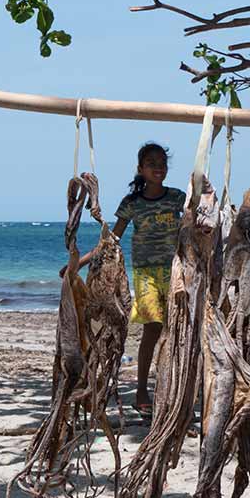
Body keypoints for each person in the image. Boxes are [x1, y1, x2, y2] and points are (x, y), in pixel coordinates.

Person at [69, 142, 185, 416]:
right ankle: (143, 388)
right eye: (151, 162)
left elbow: (200, 221)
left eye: (162, 162)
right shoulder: (132, 203)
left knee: (178, 332)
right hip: (146, 275)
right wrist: (79, 263)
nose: (158, 166)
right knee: (153, 329)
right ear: (140, 169)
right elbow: (111, 241)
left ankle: (173, 390)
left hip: (176, 273)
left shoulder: (178, 198)